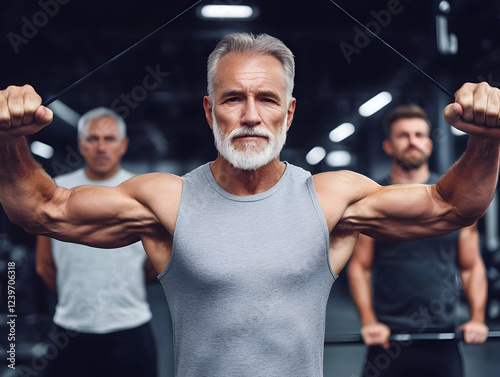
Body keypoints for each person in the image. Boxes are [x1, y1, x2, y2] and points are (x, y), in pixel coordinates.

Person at [0, 33, 499, 377]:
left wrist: (486, 138)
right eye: (233, 98)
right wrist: (9, 140)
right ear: (208, 108)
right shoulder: (166, 199)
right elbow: (42, 210)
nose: (251, 116)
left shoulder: (331, 197)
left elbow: (452, 207)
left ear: (290, 111)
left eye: (267, 99)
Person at [348, 104, 489, 377]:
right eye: (403, 135)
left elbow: (471, 267)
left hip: (443, 338)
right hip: (387, 338)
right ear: (388, 146)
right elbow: (360, 267)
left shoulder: (456, 202)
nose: (412, 141)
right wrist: (369, 321)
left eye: (419, 134)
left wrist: (477, 318)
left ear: (429, 144)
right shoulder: (372, 201)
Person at [35, 108, 158, 377]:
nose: (101, 147)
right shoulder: (56, 192)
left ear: (123, 145)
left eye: (109, 139)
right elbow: (45, 266)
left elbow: (154, 265)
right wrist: (78, 302)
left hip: (130, 329)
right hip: (70, 331)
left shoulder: (144, 193)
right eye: (93, 138)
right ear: (81, 144)